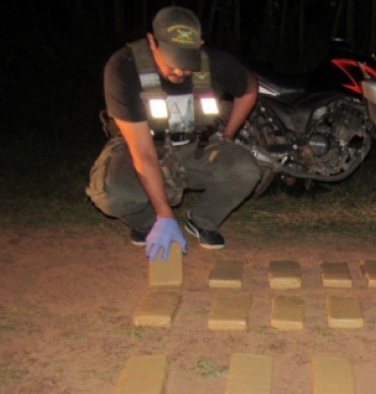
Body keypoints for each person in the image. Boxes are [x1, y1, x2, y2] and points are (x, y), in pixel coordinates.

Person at [87, 6, 261, 260]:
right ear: (152, 42)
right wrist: (165, 215)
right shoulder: (124, 67)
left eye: (187, 62)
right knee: (112, 194)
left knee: (246, 170)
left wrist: (228, 135)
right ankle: (148, 223)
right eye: (173, 60)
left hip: (195, 146)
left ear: (200, 45)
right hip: (140, 147)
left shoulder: (216, 62)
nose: (180, 71)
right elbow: (143, 153)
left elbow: (250, 87)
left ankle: (202, 221)